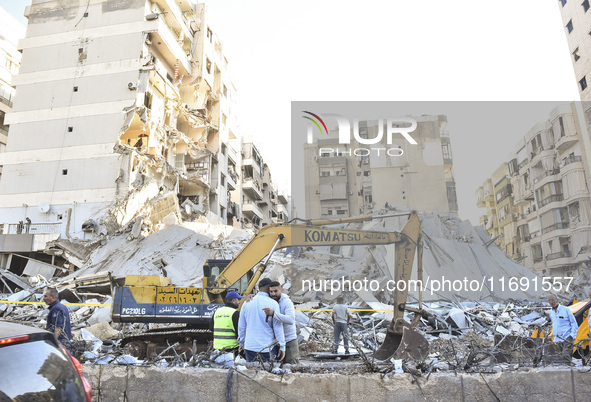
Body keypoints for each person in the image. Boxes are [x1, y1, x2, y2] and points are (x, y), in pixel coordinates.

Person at [238, 278, 285, 363]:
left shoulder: (247, 302)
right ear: (268, 288)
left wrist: (242, 343)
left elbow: (242, 326)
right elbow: (278, 327)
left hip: (250, 346)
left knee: (251, 374)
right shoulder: (273, 303)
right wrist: (282, 346)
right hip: (267, 347)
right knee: (268, 375)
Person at [264, 281, 300, 364]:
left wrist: (273, 314)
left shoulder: (287, 302)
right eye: (271, 291)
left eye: (275, 291)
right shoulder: (271, 301)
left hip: (289, 341)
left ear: (281, 290)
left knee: (292, 366)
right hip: (277, 342)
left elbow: (290, 320)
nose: (273, 294)